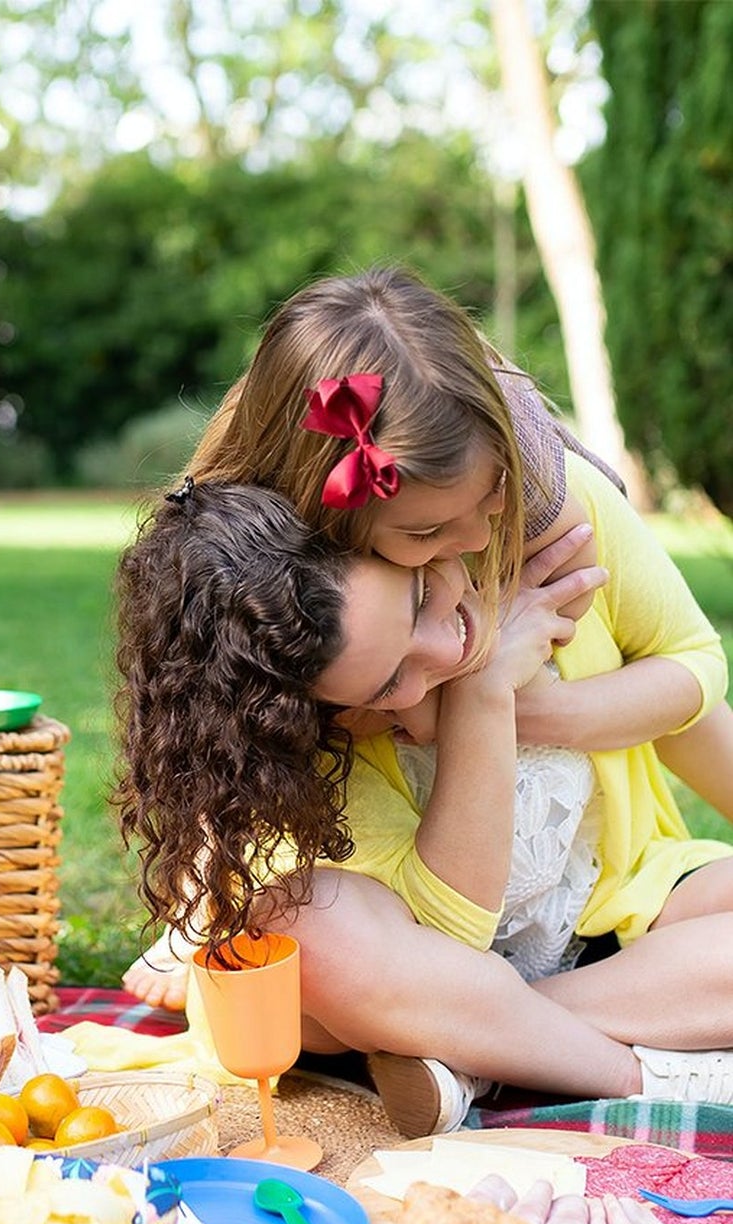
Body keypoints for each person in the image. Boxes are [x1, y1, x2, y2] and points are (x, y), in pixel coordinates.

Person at [121, 265, 733, 1015]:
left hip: (611, 892)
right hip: (413, 928)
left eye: (491, 495)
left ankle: (511, 1032)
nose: (475, 536)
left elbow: (694, 667)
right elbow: (226, 757)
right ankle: (521, 1025)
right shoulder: (301, 625)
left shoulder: (553, 515)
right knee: (307, 962)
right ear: (329, 520)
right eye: (424, 534)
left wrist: (527, 707)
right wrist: (471, 695)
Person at [89, 473, 733, 1135]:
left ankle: (479, 1057)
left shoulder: (543, 537)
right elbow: (450, 940)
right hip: (415, 973)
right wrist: (479, 694)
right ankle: (638, 1072)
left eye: (422, 594)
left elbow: (690, 686)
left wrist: (529, 703)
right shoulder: (319, 722)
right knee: (306, 928)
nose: (443, 646)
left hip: (605, 920)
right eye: (390, 678)